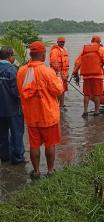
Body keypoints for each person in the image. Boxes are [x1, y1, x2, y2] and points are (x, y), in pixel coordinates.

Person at [16, 41, 64, 178]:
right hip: (48, 116)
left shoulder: (21, 71)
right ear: (43, 55)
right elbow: (58, 90)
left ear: (31, 54)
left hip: (31, 116)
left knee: (34, 145)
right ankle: (50, 171)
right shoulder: (47, 72)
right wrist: (59, 78)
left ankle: (36, 171)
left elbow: (20, 90)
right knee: (50, 144)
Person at [72, 35, 104, 117]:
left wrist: (75, 72)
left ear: (91, 41)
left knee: (86, 94)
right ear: (99, 42)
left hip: (86, 76)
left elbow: (77, 62)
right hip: (97, 76)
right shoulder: (101, 49)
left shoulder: (84, 49)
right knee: (97, 94)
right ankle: (96, 112)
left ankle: (85, 111)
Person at [0, 47, 25, 165]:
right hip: (13, 108)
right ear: (10, 56)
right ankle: (18, 158)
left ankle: (4, 157)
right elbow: (17, 92)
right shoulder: (12, 70)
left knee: (2, 134)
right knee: (17, 133)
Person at [49, 36, 70, 107]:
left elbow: (65, 63)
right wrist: (61, 74)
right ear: (57, 42)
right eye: (60, 42)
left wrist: (66, 74)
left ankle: (62, 105)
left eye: (63, 42)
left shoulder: (64, 50)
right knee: (58, 90)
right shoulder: (54, 51)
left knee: (63, 90)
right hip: (57, 74)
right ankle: (56, 106)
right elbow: (54, 63)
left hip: (64, 73)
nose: (62, 43)